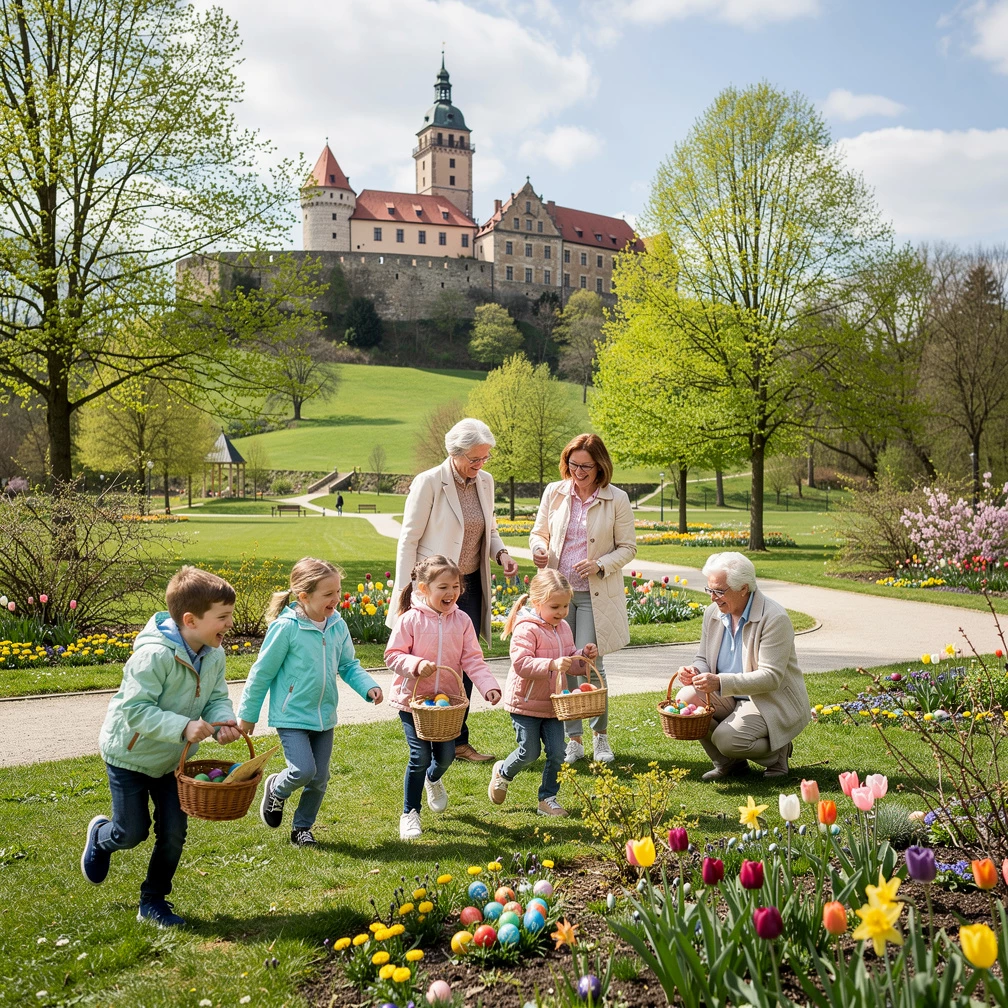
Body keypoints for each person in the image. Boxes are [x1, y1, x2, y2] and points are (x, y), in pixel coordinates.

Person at [81, 566, 241, 928]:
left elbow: (215, 697)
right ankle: (103, 837)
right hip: (130, 756)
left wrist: (222, 723)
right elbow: (135, 711)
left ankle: (153, 900)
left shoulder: (213, 654)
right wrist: (183, 726)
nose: (229, 624)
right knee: (131, 832)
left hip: (173, 761)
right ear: (190, 619)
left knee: (173, 831)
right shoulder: (154, 656)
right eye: (223, 617)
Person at [388, 417, 519, 762]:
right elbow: (409, 540)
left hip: (471, 584)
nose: (480, 465)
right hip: (432, 586)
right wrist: (408, 593)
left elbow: (487, 528)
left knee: (465, 659)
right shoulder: (429, 482)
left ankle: (457, 740)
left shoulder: (485, 482)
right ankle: (425, 731)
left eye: (485, 458)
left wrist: (501, 552)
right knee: (431, 659)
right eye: (475, 459)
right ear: (455, 453)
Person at [237, 557, 383, 846]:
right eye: (328, 594)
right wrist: (248, 714)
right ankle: (277, 788)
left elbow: (349, 665)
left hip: (324, 716)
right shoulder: (286, 628)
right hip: (290, 714)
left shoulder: (337, 626)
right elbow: (261, 673)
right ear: (303, 596)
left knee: (319, 778)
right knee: (303, 770)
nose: (336, 599)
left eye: (338, 591)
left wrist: (369, 687)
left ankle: (301, 828)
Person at [530, 433, 636, 765]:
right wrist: (538, 548)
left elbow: (628, 548)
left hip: (594, 594)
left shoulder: (616, 499)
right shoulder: (554, 492)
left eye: (586, 466)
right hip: (558, 593)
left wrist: (600, 564)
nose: (578, 471)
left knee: (589, 663)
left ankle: (600, 737)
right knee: (566, 664)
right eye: (573, 464)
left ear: (600, 466)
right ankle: (573, 739)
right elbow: (539, 531)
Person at [384, 554, 502, 840]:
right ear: (423, 589)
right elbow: (392, 655)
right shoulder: (410, 620)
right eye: (443, 587)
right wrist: (415, 665)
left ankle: (433, 779)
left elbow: (472, 658)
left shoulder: (461, 621)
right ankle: (410, 813)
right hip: (412, 702)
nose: (451, 593)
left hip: (447, 702)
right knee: (419, 755)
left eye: (456, 586)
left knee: (446, 756)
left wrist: (488, 686)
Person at [674, 552, 810, 781]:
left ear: (743, 588)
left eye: (719, 591)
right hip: (730, 695)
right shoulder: (713, 614)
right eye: (710, 590)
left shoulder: (774, 618)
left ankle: (778, 753)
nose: (712, 598)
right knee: (686, 699)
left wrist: (719, 682)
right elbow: (703, 657)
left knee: (726, 739)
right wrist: (695, 671)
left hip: (767, 699)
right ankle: (729, 765)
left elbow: (771, 678)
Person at [488, 570, 597, 817]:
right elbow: (521, 664)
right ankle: (503, 772)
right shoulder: (527, 629)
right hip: (526, 702)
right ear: (537, 603)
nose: (561, 612)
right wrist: (550, 664)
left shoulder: (564, 627)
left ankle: (547, 798)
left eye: (566, 606)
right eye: (554, 606)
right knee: (529, 752)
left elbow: (569, 659)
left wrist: (583, 656)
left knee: (558, 753)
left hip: (553, 704)